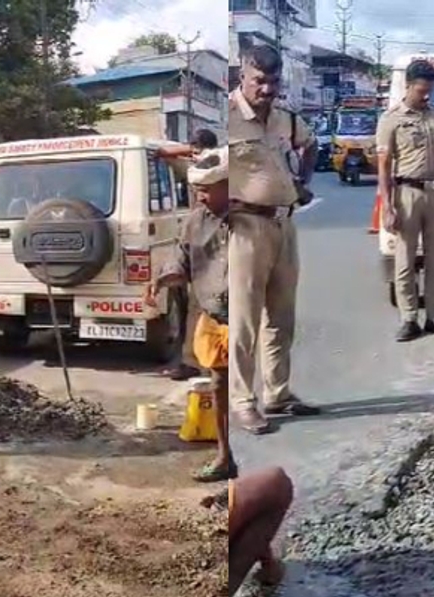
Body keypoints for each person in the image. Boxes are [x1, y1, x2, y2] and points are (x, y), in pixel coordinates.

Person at [227, 44, 322, 434]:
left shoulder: (286, 118)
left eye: (273, 82)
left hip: (284, 224)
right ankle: (242, 401)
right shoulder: (227, 118)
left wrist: (302, 182)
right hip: (244, 227)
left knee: (281, 317)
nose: (267, 90)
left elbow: (310, 144)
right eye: (259, 81)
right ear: (243, 77)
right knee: (244, 321)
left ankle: (277, 393)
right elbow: (199, 169)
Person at [146, 149, 236, 482]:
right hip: (216, 315)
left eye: (208, 189)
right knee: (219, 384)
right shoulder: (196, 220)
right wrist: (162, 279)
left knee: (248, 391)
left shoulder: (252, 218)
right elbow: (181, 260)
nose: (200, 195)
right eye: (198, 189)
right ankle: (225, 457)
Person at [376, 59, 434, 342]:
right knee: (405, 260)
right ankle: (409, 319)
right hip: (407, 194)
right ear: (408, 85)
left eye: (430, 90)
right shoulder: (391, 119)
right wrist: (388, 207)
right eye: (421, 90)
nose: (426, 95)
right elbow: (383, 166)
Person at [161, 128, 220, 382]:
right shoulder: (207, 162)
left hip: (214, 230)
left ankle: (206, 363)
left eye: (194, 148)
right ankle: (194, 361)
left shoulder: (213, 164)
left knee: (207, 306)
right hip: (199, 229)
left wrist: (183, 151)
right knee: (197, 307)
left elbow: (166, 152)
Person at [202, 467, 294, 595]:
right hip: (268, 486)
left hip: (271, 490)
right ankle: (269, 572)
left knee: (241, 558)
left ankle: (269, 572)